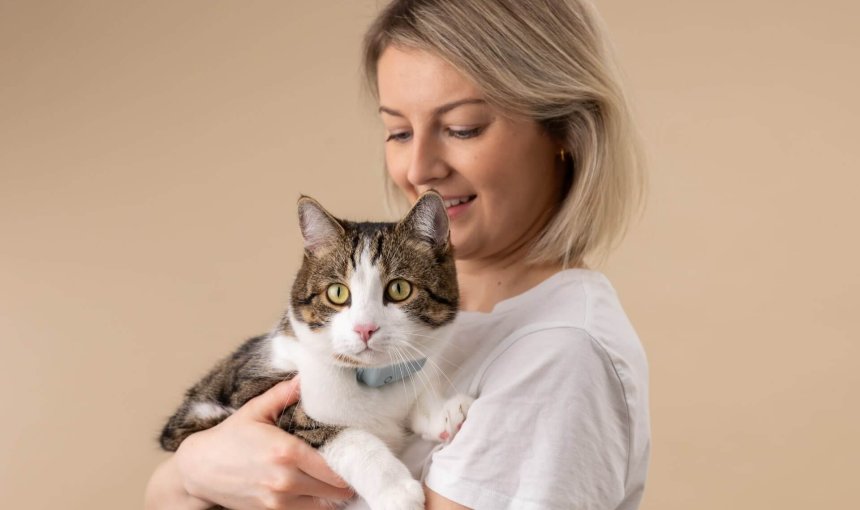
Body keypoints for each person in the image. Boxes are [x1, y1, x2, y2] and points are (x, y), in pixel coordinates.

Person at [144, 0, 650, 508]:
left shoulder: (557, 356)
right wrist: (190, 469)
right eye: (399, 132)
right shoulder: (412, 324)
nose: (418, 168)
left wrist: (186, 479)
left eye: (463, 127)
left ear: (565, 129)